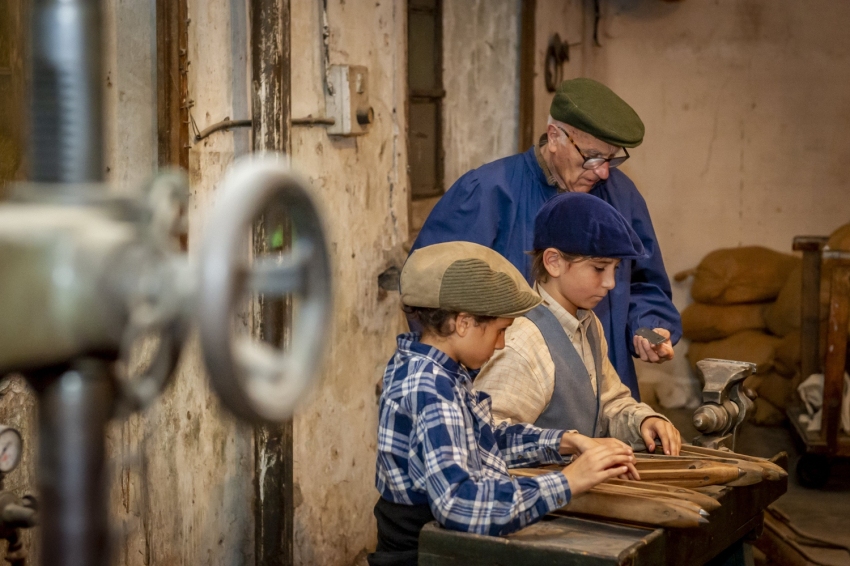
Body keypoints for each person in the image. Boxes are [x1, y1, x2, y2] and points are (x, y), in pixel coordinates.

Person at [369, 241, 639, 566]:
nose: (500, 345)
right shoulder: (431, 386)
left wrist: (564, 442)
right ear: (463, 322)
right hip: (422, 551)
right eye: (500, 331)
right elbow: (457, 505)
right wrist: (567, 482)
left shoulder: (435, 366)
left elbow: (483, 442)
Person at [410, 78, 681, 400]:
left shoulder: (622, 198)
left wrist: (649, 328)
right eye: (592, 157)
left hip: (602, 391)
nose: (603, 172)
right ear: (555, 137)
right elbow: (431, 302)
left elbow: (643, 284)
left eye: (612, 159)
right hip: (511, 391)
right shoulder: (487, 193)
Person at [475, 193, 682, 455]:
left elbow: (608, 404)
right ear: (553, 262)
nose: (610, 283)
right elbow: (488, 437)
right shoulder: (521, 343)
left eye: (615, 269)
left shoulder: (587, 321)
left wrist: (643, 421)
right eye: (599, 268)